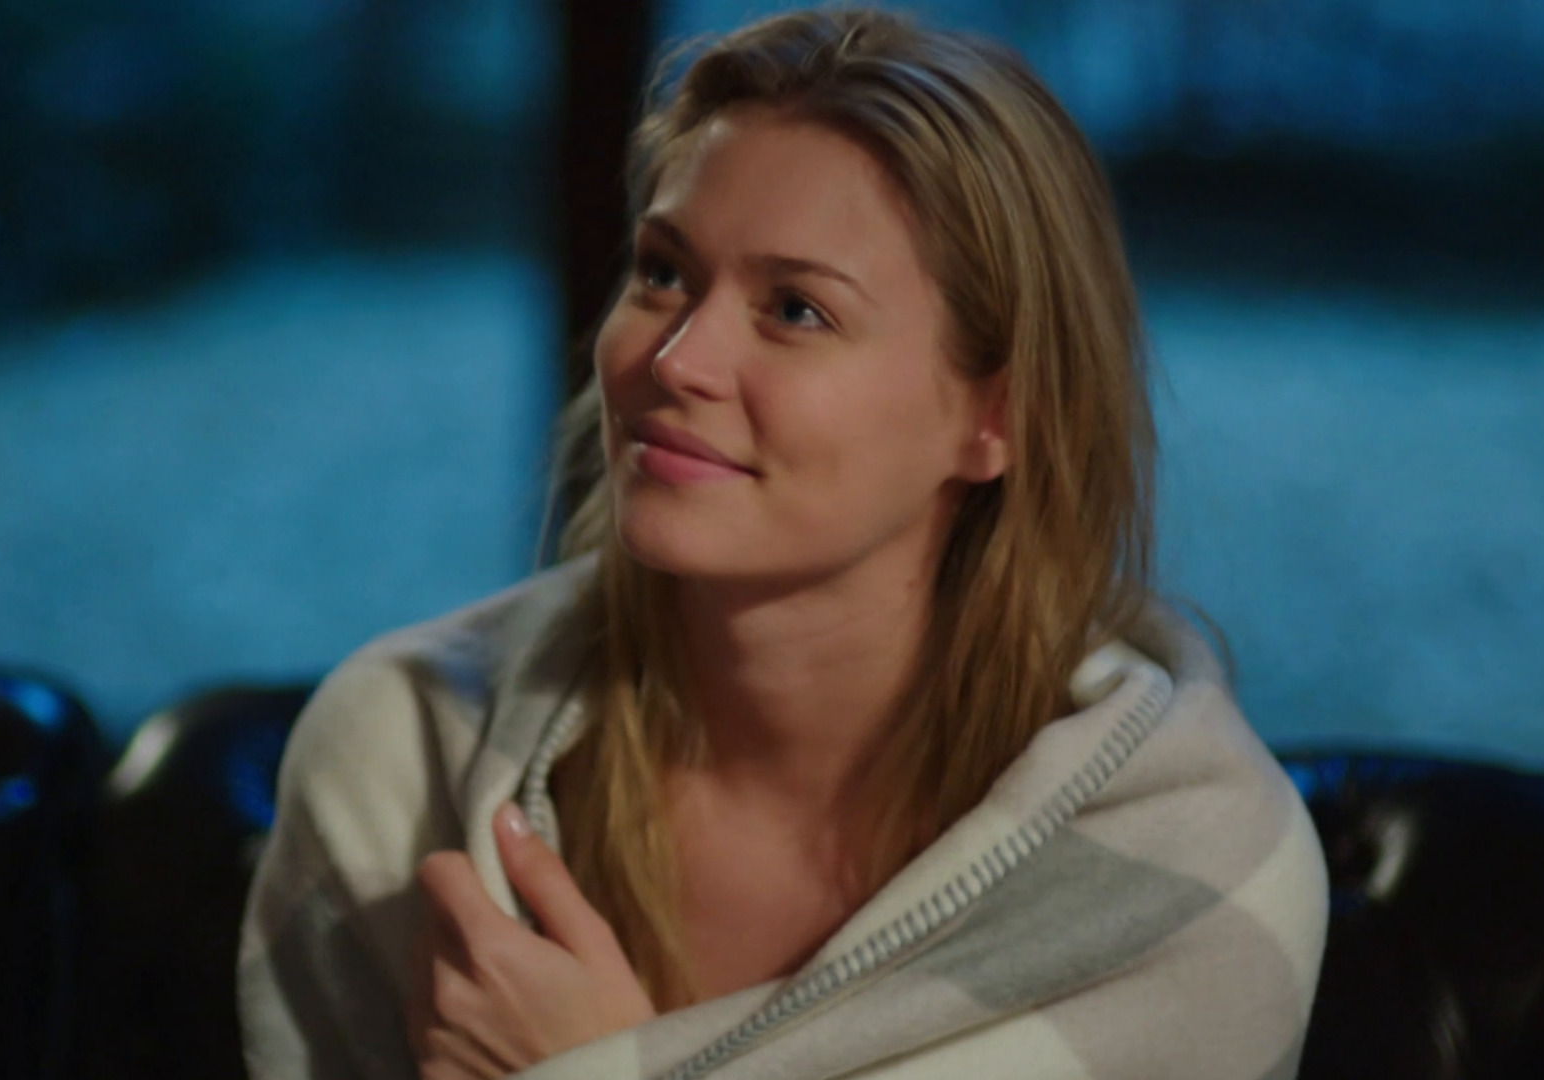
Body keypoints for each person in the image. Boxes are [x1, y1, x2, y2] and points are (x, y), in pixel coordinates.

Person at [238, 8, 1328, 1079]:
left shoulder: (1198, 875)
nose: (677, 359)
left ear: (998, 415)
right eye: (663, 271)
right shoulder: (398, 758)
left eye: (797, 310)